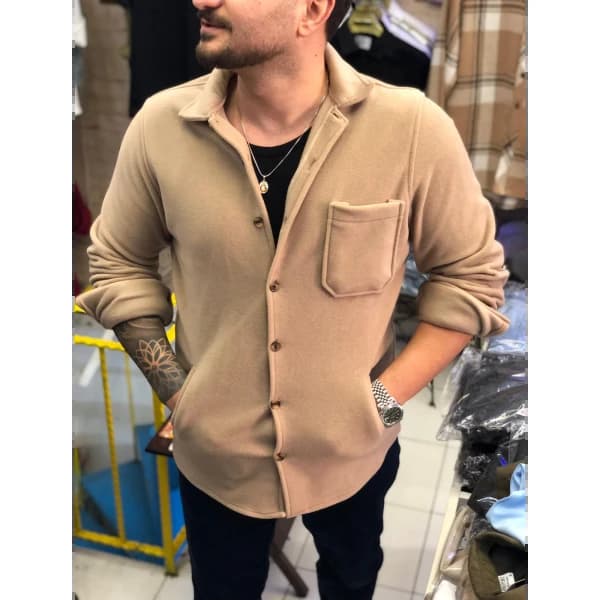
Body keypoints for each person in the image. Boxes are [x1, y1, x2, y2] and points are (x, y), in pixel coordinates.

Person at [76, 1, 510, 598]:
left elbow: (469, 277)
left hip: (355, 454)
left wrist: (380, 401)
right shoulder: (160, 126)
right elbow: (118, 262)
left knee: (351, 580)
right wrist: (180, 393)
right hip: (217, 459)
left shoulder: (411, 128)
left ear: (313, 8)